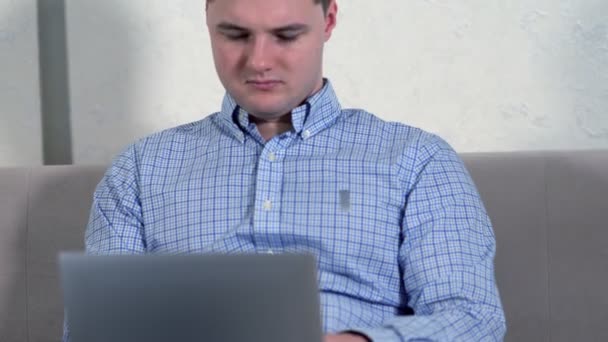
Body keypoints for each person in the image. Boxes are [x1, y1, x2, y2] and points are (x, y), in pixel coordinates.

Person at [64, 0, 506, 340]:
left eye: (286, 35)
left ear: (329, 20)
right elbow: (95, 331)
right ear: (207, 21)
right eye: (235, 34)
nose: (258, 61)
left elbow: (471, 320)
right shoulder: (140, 170)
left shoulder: (416, 160)